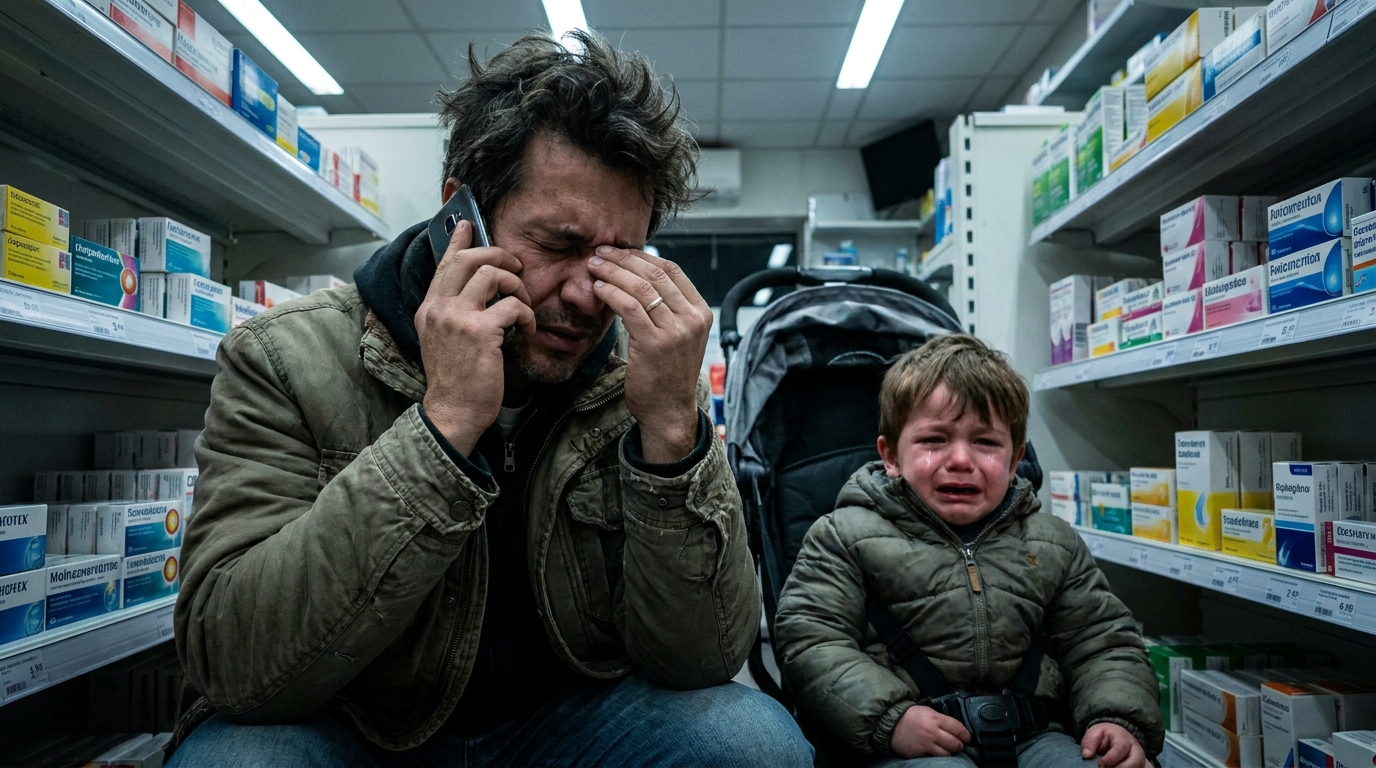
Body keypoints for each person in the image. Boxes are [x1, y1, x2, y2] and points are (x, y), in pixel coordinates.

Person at [167, 30, 812, 767]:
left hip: (569, 721)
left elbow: (702, 660)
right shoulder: (286, 356)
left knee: (751, 744)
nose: (586, 292)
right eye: (557, 244)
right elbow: (235, 664)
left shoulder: (646, 375)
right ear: (458, 215)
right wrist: (442, 427)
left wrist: (672, 428)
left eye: (621, 256)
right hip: (354, 724)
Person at [773, 334, 1163, 768]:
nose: (961, 459)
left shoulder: (1054, 544)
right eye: (934, 440)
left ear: (1015, 461)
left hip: (1036, 736)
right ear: (891, 457)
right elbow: (812, 639)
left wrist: (1116, 717)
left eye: (986, 443)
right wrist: (891, 718)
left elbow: (1102, 642)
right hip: (909, 743)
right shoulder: (843, 536)